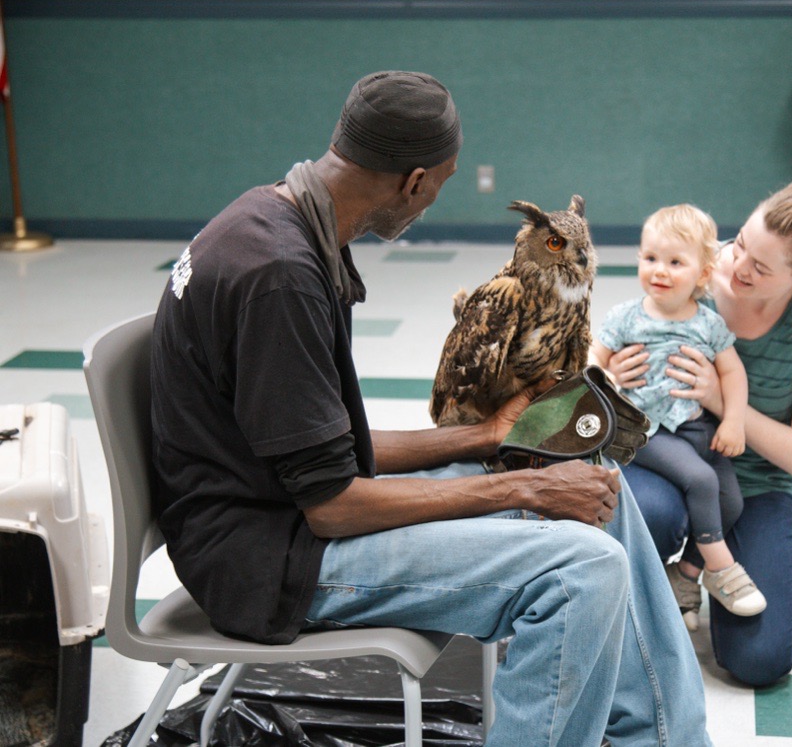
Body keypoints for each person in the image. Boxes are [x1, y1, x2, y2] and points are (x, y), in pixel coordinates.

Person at [149, 70, 713, 746]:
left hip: (281, 511)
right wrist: (526, 484)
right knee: (581, 571)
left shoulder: (274, 216)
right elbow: (332, 503)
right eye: (442, 181)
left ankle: (668, 739)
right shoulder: (281, 275)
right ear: (413, 180)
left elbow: (321, 449)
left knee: (598, 493)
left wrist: (484, 437)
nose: (433, 198)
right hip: (268, 563)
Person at [604, 172, 792, 687]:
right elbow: (621, 342)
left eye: (759, 267)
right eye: (742, 243)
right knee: (654, 511)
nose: (735, 265)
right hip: (664, 459)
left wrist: (720, 397)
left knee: (760, 661)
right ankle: (646, 589)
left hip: (754, 484)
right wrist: (610, 380)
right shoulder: (700, 266)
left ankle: (690, 574)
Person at [592, 204, 766, 633]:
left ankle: (685, 576)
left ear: (703, 274)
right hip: (641, 428)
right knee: (701, 480)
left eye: (675, 262)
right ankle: (723, 569)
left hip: (694, 425)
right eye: (650, 258)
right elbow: (589, 362)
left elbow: (732, 373)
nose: (659, 271)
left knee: (731, 501)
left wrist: (733, 422)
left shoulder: (708, 324)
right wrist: (609, 376)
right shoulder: (625, 318)